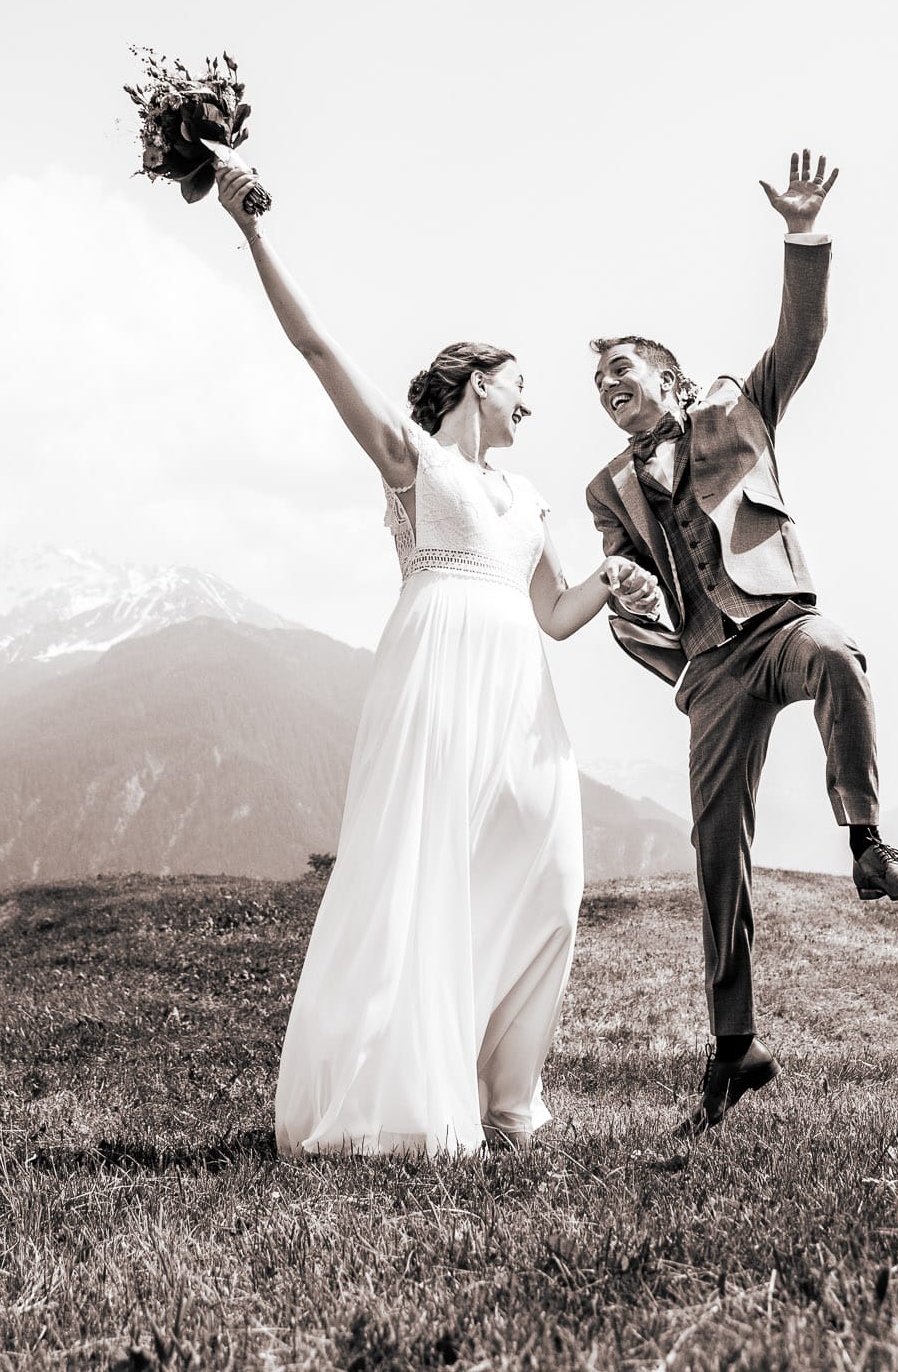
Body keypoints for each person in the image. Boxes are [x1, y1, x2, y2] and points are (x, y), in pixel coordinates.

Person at [206, 149, 666, 1157]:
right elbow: (318, 348)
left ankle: (510, 1092)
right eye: (518, 386)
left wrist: (613, 584)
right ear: (472, 386)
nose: (530, 404)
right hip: (434, 678)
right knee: (422, 871)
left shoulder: (530, 495)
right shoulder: (415, 464)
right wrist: (253, 229)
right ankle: (413, 1091)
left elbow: (552, 611)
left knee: (549, 871)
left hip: (519, 686)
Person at [585, 149, 898, 1139]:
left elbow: (803, 333)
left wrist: (802, 234)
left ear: (667, 377)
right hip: (708, 666)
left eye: (623, 371)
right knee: (716, 850)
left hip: (781, 621)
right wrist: (634, 595)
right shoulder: (604, 488)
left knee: (840, 653)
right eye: (599, 383)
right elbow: (627, 582)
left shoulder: (739, 407)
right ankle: (733, 1047)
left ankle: (869, 847)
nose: (610, 387)